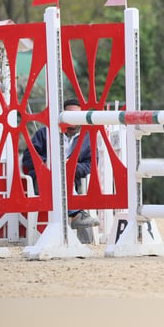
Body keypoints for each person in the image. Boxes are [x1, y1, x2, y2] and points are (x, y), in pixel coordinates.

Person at [21, 98, 99, 234]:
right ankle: (77, 215)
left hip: (72, 180)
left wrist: (72, 166)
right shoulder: (44, 133)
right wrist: (45, 163)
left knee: (64, 176)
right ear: (63, 115)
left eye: (77, 116)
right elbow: (27, 157)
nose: (73, 119)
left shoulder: (87, 138)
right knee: (57, 173)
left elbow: (91, 165)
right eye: (70, 115)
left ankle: (77, 216)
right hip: (43, 180)